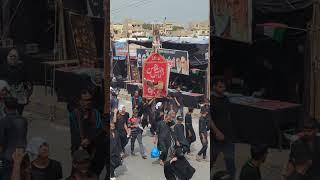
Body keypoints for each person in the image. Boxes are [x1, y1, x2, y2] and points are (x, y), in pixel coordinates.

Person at [68, 89, 105, 176]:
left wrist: (89, 139)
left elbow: (99, 129)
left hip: (93, 150)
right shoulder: (74, 114)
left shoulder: (95, 113)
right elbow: (74, 133)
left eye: (89, 100)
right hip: (79, 149)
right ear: (80, 101)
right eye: (85, 100)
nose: (88, 102)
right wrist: (80, 145)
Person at [211, 78, 236, 180]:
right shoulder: (211, 100)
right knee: (212, 160)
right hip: (215, 137)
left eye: (224, 87)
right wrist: (216, 132)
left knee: (230, 161)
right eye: (220, 87)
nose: (222, 89)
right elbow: (209, 118)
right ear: (214, 87)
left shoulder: (226, 99)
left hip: (228, 136)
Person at [0, 97, 28, 180]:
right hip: (22, 155)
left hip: (7, 158)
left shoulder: (3, 121)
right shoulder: (23, 120)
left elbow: (1, 142)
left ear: (5, 107)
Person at [0, 48, 33, 115]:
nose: (12, 58)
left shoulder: (22, 68)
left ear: (18, 58)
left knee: (18, 116)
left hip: (19, 97)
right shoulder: (2, 68)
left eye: (14, 56)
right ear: (7, 57)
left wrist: (28, 94)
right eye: (10, 56)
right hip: (5, 97)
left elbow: (29, 83)